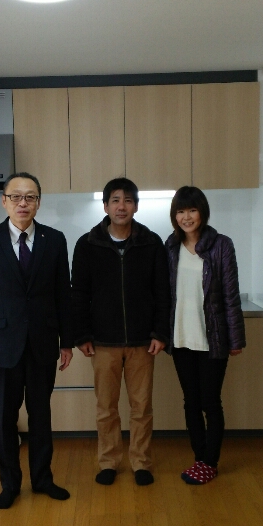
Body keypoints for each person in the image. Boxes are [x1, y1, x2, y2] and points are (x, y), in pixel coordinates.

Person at [0, 172, 73, 509]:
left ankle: (43, 479)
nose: (23, 203)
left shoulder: (55, 240)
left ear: (38, 202)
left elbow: (63, 294)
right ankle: (9, 484)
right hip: (2, 345)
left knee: (41, 416)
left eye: (30, 197)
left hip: (43, 342)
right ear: (4, 201)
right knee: (5, 417)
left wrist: (67, 341)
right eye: (16, 196)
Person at [71, 177, 170, 486]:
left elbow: (163, 292)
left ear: (136, 206)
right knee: (106, 408)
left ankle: (141, 462)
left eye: (128, 200)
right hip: (102, 342)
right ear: (105, 206)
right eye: (115, 200)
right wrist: (81, 334)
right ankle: (109, 462)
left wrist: (160, 332)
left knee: (142, 408)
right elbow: (78, 293)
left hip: (143, 341)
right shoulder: (88, 244)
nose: (121, 206)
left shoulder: (151, 242)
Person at [165, 186, 245, 485]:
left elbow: (230, 295)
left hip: (212, 338)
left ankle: (210, 462)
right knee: (190, 401)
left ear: (202, 212)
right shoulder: (170, 246)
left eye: (192, 210)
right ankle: (199, 458)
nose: (186, 217)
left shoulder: (221, 245)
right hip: (181, 337)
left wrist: (235, 339)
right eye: (180, 211)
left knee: (210, 402)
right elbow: (163, 295)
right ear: (174, 216)